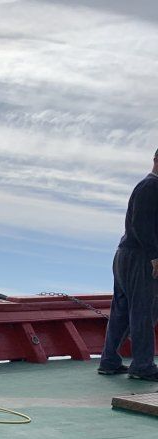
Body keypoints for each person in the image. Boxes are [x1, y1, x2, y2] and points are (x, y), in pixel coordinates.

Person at [98, 150, 158, 381]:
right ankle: (142, 366)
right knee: (143, 309)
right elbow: (141, 225)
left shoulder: (147, 187)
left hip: (126, 254)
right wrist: (155, 257)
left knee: (121, 311)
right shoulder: (151, 187)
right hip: (140, 257)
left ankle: (109, 361)